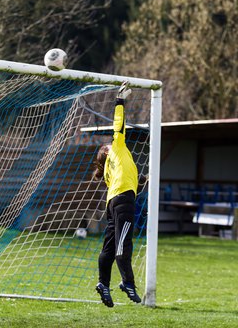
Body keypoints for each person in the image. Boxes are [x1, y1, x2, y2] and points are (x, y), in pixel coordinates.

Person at [93, 81, 141, 308]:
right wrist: (120, 100)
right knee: (123, 244)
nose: (111, 141)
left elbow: (127, 180)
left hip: (114, 202)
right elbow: (119, 125)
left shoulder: (109, 171)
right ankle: (127, 282)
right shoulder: (117, 147)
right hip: (122, 202)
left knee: (110, 248)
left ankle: (103, 283)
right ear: (108, 150)